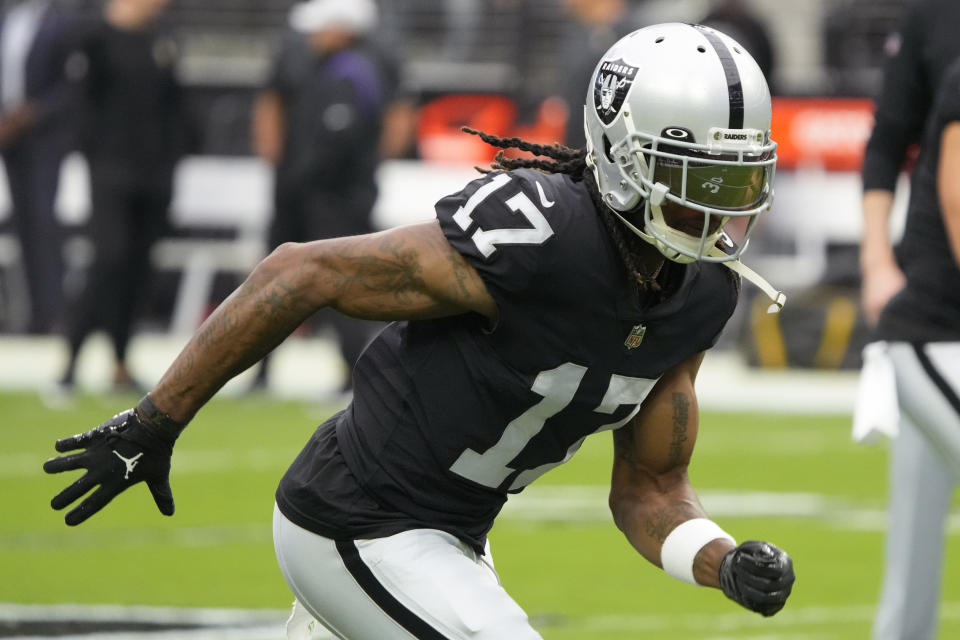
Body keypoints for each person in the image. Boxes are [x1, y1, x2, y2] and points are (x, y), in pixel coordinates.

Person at [44, 23, 794, 639]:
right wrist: (152, 422)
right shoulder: (541, 235)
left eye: (739, 182)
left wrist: (722, 560)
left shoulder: (701, 294)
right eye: (699, 180)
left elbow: (651, 489)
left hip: (450, 538)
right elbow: (296, 273)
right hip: (357, 518)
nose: (723, 212)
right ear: (627, 161)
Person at [855, 1, 960, 638]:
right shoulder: (935, 17)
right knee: (911, 566)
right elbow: (889, 138)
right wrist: (876, 261)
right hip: (935, 319)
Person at [250, 0, 405, 395]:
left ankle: (359, 371)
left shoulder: (351, 73)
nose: (312, 36)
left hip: (332, 198)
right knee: (279, 284)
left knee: (341, 288)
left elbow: (336, 144)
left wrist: (303, 178)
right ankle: (262, 371)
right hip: (311, 194)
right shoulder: (331, 67)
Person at [57, 0, 187, 392]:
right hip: (111, 173)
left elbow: (175, 110)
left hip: (153, 177)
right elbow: (80, 106)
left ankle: (120, 362)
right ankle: (69, 362)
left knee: (137, 270)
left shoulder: (162, 40)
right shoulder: (93, 39)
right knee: (108, 261)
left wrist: (170, 164)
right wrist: (97, 158)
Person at [0, 0, 76, 334]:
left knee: (44, 222)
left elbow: (70, 86)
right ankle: (34, 314)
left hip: (44, 136)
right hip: (9, 136)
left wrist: (31, 114)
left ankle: (54, 313)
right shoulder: (8, 17)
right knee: (23, 225)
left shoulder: (61, 20)